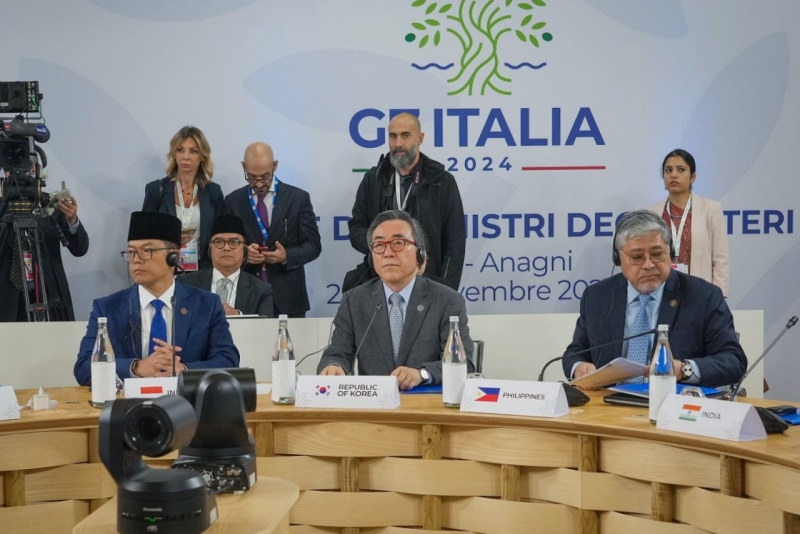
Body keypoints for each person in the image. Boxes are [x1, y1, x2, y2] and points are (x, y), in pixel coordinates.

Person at [562, 210, 746, 388]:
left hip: (674, 406)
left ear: (670, 252)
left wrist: (684, 369)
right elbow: (575, 353)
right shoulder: (597, 297)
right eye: (637, 257)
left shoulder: (703, 296)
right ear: (619, 259)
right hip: (608, 408)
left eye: (657, 254)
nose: (648, 265)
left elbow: (733, 361)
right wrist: (579, 368)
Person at [73, 211, 239, 386]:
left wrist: (184, 371)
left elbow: (229, 362)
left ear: (173, 256)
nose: (136, 260)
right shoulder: (108, 308)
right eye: (131, 252)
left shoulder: (206, 305)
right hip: (128, 407)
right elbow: (84, 368)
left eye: (147, 251)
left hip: (188, 407)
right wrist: (137, 367)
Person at [318, 210, 473, 390]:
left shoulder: (447, 300)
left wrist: (421, 374)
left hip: (426, 409)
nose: (388, 253)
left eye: (398, 243)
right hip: (373, 410)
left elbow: (464, 363)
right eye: (379, 245)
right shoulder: (354, 300)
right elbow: (337, 353)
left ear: (420, 254)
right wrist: (334, 367)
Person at [346, 112, 466, 292]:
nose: (398, 144)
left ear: (420, 138)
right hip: (381, 281)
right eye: (393, 136)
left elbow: (455, 242)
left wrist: (446, 289)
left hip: (428, 282)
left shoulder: (442, 181)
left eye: (405, 135)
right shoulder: (374, 179)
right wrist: (381, 245)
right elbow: (356, 228)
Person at [225, 142, 321, 318]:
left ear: (275, 166)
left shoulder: (298, 198)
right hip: (247, 297)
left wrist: (286, 257)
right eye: (252, 177)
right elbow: (226, 245)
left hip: (289, 298)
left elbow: (313, 245)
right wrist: (244, 253)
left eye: (265, 176)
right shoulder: (233, 201)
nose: (259, 183)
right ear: (243, 166)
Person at [0, 163, 89, 321]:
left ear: (34, 169)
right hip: (6, 296)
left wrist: (72, 220)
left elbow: (79, 249)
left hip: (48, 292)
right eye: (9, 169)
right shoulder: (2, 207)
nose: (14, 173)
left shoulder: (50, 204)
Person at [142, 126, 226, 271]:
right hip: (164, 269)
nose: (185, 157)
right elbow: (143, 236)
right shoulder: (156, 190)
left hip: (202, 271)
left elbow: (219, 234)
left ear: (202, 156)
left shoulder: (213, 192)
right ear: (174, 153)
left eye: (193, 151)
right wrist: (169, 239)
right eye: (180, 150)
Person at [649, 148, 730, 296]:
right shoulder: (652, 213)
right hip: (661, 291)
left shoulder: (711, 209)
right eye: (668, 170)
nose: (673, 175)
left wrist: (719, 295)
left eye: (681, 170)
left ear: (693, 177)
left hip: (700, 292)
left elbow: (720, 258)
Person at [181, 214, 273, 316]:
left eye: (234, 242)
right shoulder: (186, 284)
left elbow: (266, 329)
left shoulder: (261, 291)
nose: (226, 248)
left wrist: (238, 316)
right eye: (219, 242)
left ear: (244, 250)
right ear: (210, 248)